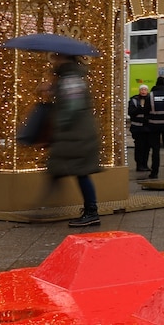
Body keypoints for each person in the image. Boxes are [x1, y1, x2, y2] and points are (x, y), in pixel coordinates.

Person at [43, 53, 101, 228]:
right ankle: (90, 210)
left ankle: (91, 211)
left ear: (64, 59)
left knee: (78, 172)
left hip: (77, 134)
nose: (54, 61)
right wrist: (51, 90)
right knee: (70, 170)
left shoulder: (71, 78)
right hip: (76, 133)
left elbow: (72, 106)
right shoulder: (68, 78)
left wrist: (58, 124)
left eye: (56, 58)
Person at [127, 85, 151, 173]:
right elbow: (131, 112)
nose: (143, 91)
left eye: (145, 89)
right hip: (137, 128)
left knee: (147, 148)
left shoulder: (150, 99)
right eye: (142, 89)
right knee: (139, 147)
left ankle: (145, 164)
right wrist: (140, 109)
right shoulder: (134, 99)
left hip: (148, 128)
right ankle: (139, 165)